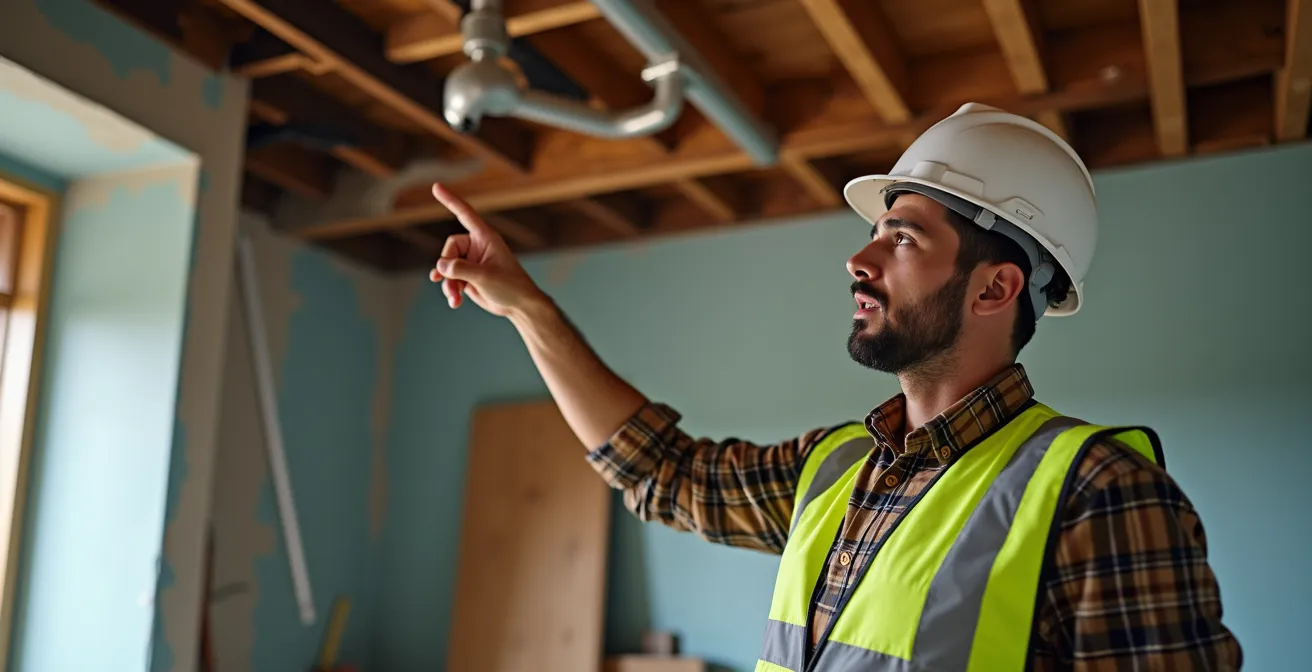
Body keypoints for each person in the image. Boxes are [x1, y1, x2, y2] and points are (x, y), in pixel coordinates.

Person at [427, 103, 1241, 671]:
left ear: (995, 290)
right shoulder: (837, 469)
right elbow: (662, 470)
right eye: (872, 234)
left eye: (903, 236)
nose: (860, 259)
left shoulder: (1100, 493)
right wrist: (526, 308)